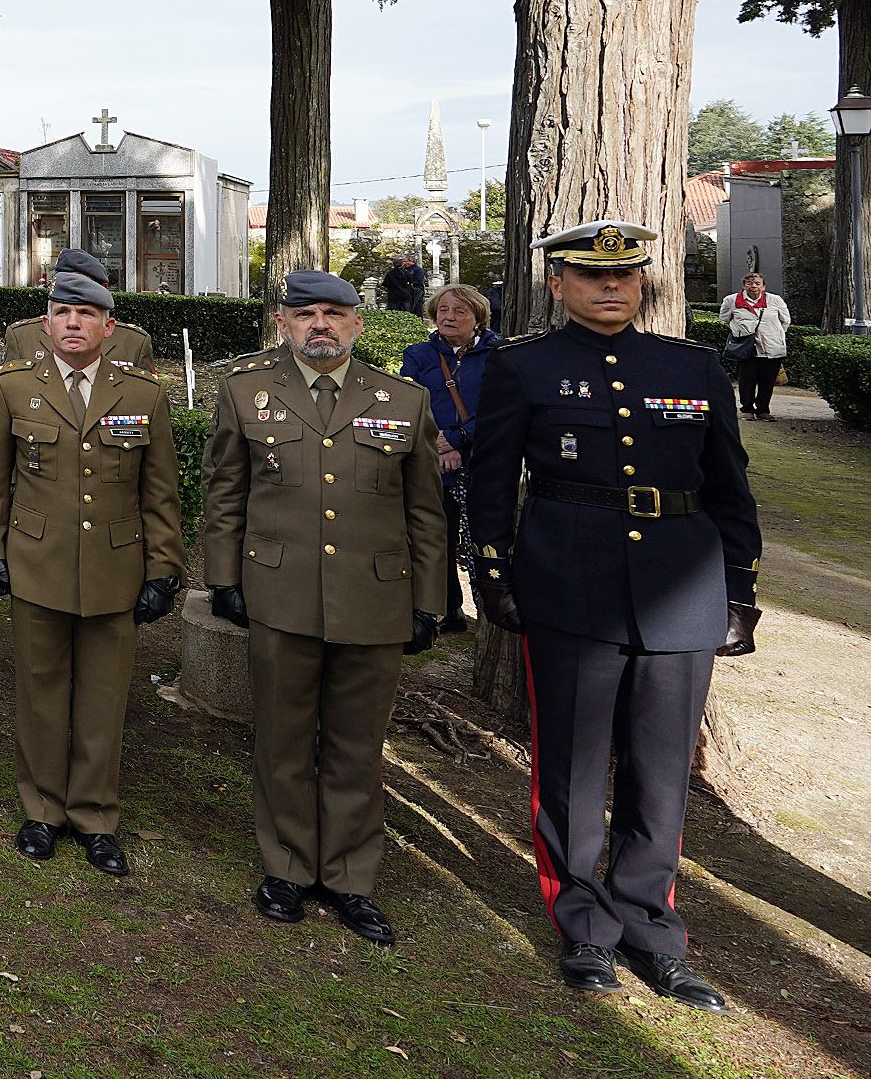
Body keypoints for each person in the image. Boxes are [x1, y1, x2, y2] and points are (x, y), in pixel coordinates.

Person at [470, 221, 760, 1012]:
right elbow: (491, 483)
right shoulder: (522, 367)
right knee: (568, 764)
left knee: (661, 772)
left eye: (625, 276)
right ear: (557, 285)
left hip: (682, 586)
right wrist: (490, 574)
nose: (610, 288)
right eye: (591, 277)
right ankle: (582, 926)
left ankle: (650, 926)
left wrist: (739, 590)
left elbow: (729, 488)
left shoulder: (692, 368)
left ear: (641, 285)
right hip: (568, 584)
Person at [202, 270, 448, 946]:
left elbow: (424, 512)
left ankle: (347, 877)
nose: (319, 324)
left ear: (356, 325)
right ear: (281, 323)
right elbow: (224, 493)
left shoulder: (403, 400)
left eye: (334, 315)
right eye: (304, 313)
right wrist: (222, 578)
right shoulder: (246, 392)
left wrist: (430, 599)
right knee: (280, 740)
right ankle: (285, 867)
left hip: (373, 599)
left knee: (355, 745)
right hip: (277, 596)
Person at [0, 270, 187, 876]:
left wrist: (164, 566)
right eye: (63, 313)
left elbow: (161, 492)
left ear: (108, 327)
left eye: (87, 315)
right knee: (40, 692)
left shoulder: (143, 394)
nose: (74, 323)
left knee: (102, 698)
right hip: (36, 561)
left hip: (114, 568)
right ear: (46, 324)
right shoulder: (14, 388)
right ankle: (42, 811)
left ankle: (94, 815)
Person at [399, 283, 501, 632]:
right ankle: (448, 610)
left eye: (459, 311)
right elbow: (409, 405)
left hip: (483, 461)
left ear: (478, 317)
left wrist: (458, 440)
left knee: (484, 537)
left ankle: (491, 611)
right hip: (435, 461)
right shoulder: (418, 354)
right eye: (443, 310)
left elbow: (499, 409)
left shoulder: (498, 353)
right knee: (436, 537)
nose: (449, 316)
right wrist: (437, 444)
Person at [1, 249, 155, 369]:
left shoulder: (134, 342)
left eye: (80, 286)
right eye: (64, 284)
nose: (70, 292)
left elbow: (144, 400)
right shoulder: (21, 337)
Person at [719, 270, 791, 420]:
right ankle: (747, 408)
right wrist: (740, 331)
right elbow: (724, 319)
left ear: (763, 287)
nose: (753, 286)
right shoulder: (731, 301)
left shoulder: (775, 300)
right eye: (749, 283)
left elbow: (785, 321)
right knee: (746, 380)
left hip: (772, 346)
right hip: (746, 347)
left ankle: (763, 409)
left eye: (758, 283)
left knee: (768, 380)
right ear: (744, 285)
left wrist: (774, 334)